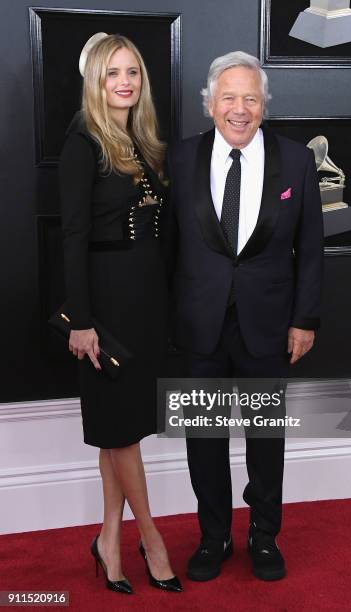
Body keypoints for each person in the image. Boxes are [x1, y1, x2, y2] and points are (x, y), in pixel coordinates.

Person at [166, 51, 324, 582]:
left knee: (264, 438)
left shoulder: (297, 162)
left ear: (264, 106)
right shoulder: (180, 159)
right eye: (228, 97)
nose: (239, 109)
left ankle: (263, 536)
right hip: (198, 325)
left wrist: (305, 320)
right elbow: (166, 249)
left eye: (250, 98)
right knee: (203, 440)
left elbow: (312, 248)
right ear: (210, 104)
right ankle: (213, 538)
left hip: (268, 324)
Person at [59, 33, 182, 594]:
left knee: (119, 429)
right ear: (96, 81)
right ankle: (150, 537)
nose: (125, 82)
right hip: (104, 306)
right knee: (123, 430)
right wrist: (81, 321)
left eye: (132, 71)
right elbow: (73, 236)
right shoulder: (82, 142)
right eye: (113, 73)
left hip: (146, 301)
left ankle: (108, 537)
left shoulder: (141, 138)